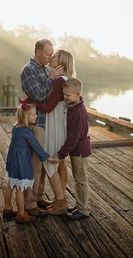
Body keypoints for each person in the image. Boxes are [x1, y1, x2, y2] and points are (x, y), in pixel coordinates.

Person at [20, 39, 63, 217]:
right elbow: (38, 95)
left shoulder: (46, 70)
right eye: (47, 52)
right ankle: (30, 204)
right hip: (36, 123)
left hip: (48, 123)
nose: (51, 56)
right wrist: (51, 79)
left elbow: (50, 96)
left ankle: (38, 197)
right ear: (37, 51)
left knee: (43, 164)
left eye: (52, 52)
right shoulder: (28, 70)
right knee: (35, 164)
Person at [33, 49, 76, 215]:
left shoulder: (59, 81)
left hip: (56, 127)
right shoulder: (66, 79)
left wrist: (33, 103)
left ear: (61, 62)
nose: (51, 57)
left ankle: (60, 202)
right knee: (61, 163)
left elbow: (49, 106)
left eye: (55, 56)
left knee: (50, 162)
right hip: (62, 127)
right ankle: (61, 198)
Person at [2, 102, 56, 223]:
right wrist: (48, 158)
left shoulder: (16, 127)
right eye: (33, 115)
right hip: (21, 162)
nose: (36, 116)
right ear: (26, 117)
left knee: (10, 185)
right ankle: (21, 214)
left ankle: (6, 209)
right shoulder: (27, 131)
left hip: (12, 160)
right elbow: (37, 147)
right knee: (20, 189)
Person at [57, 77, 92, 220]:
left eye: (68, 95)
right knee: (78, 179)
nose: (65, 98)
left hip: (80, 151)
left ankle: (83, 210)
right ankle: (80, 205)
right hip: (76, 150)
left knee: (81, 180)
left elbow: (73, 138)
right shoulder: (73, 106)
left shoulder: (78, 112)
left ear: (78, 94)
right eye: (64, 94)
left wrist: (61, 153)